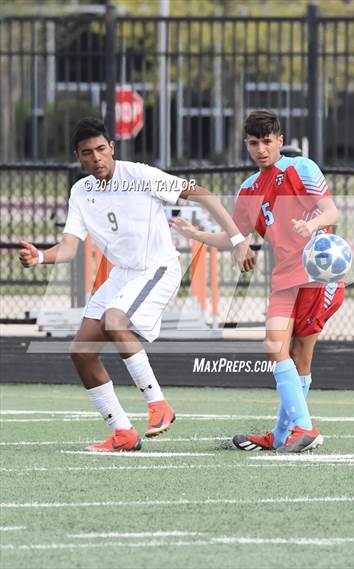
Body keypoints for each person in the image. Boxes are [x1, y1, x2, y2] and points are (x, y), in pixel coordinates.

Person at [19, 117, 253, 453]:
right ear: (78, 157)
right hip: (123, 275)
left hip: (157, 268)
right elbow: (69, 248)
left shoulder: (139, 175)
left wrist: (237, 239)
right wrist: (40, 258)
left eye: (102, 149)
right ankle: (122, 433)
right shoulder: (81, 192)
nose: (97, 157)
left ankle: (159, 406)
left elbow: (202, 194)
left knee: (115, 321)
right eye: (88, 153)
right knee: (81, 352)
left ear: (112, 148)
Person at [171, 109, 344, 453]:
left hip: (316, 275)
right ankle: (296, 431)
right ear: (246, 145)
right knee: (276, 347)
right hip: (284, 280)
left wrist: (309, 227)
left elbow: (332, 211)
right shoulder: (249, 189)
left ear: (280, 140)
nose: (261, 149)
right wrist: (197, 234)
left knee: (299, 357)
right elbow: (234, 237)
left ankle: (288, 434)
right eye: (254, 143)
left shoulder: (301, 168)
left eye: (267, 141)